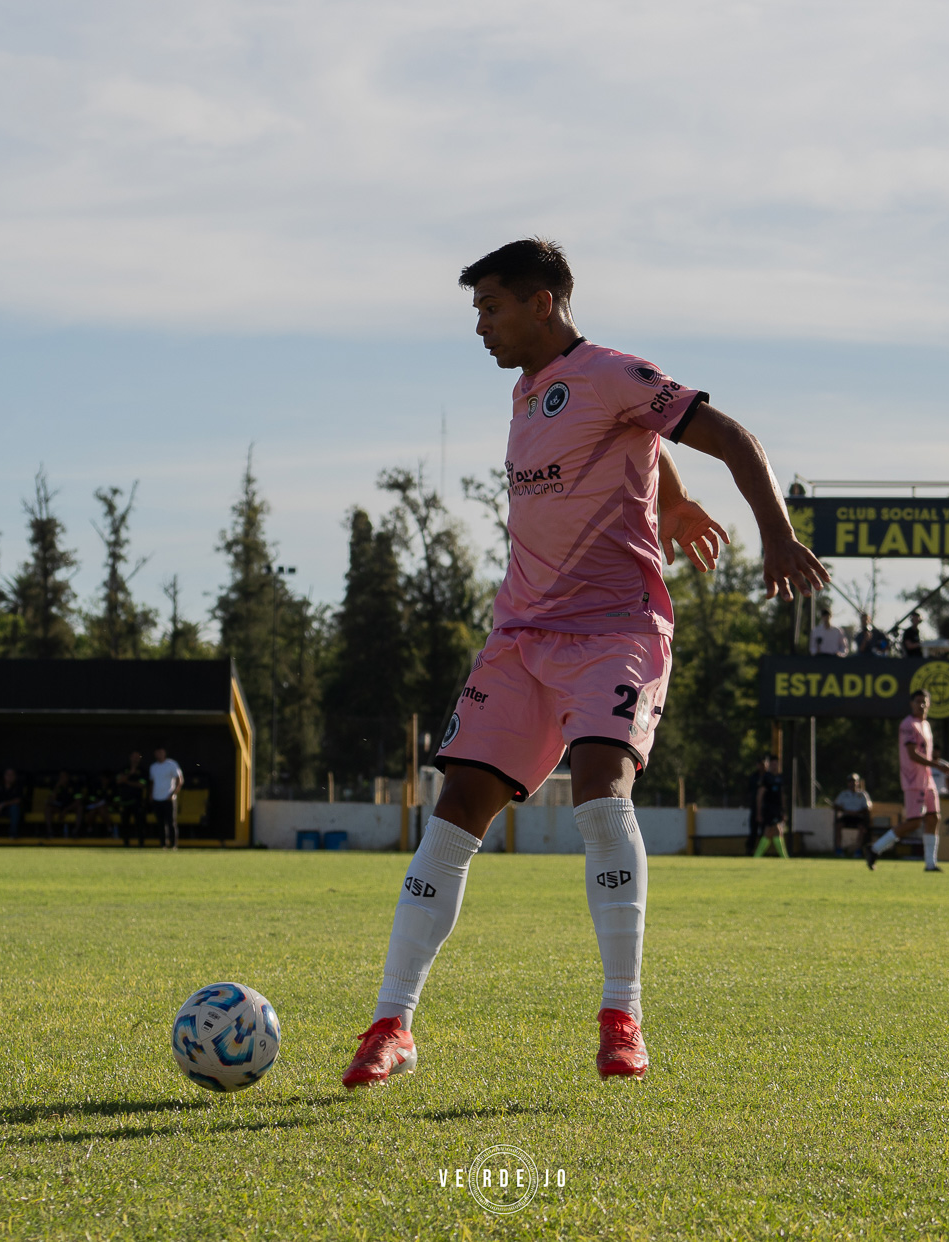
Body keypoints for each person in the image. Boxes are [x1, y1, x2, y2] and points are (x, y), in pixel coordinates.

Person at [340, 238, 830, 1089]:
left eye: (491, 307)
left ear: (543, 302)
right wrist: (671, 499)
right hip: (521, 637)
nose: (482, 327)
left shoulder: (608, 369)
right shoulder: (528, 392)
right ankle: (392, 1023)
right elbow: (638, 440)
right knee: (455, 811)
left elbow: (732, 434)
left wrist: (776, 532)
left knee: (602, 788)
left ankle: (621, 1014)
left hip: (615, 630)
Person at [865, 689, 949, 871]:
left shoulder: (926, 725)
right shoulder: (908, 724)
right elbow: (912, 754)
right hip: (914, 780)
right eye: (918, 701)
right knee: (914, 822)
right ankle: (875, 849)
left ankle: (930, 864)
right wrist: (938, 766)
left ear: (929, 704)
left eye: (925, 701)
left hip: (928, 779)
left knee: (933, 818)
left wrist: (935, 767)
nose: (921, 705)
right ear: (911, 704)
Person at [747, 754, 787, 858]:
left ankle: (757, 856)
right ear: (769, 765)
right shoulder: (766, 778)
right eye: (772, 763)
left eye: (776, 763)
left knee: (770, 832)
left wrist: (783, 810)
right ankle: (784, 857)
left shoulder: (780, 777)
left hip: (777, 809)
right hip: (768, 809)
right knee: (775, 831)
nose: (774, 765)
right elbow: (760, 796)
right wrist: (759, 812)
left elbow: (782, 795)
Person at [149, 746, 184, 850]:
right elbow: (152, 782)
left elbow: (180, 780)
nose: (159, 754)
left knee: (171, 822)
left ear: (164, 753)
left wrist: (173, 794)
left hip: (168, 799)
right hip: (157, 798)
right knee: (160, 823)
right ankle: (163, 844)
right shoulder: (153, 767)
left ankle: (173, 845)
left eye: (161, 752)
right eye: (157, 752)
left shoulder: (171, 764)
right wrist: (151, 794)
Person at [114, 752, 151, 846]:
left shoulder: (142, 770)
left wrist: (127, 781)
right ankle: (126, 844)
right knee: (125, 824)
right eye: (134, 757)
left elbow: (141, 785)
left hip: (137, 801)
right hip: (125, 801)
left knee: (140, 824)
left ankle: (141, 844)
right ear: (130, 757)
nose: (135, 759)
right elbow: (118, 781)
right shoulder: (124, 768)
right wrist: (130, 774)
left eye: (137, 757)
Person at [833, 773, 872, 856]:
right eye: (850, 782)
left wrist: (857, 812)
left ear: (858, 783)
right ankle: (839, 849)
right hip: (847, 816)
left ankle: (858, 850)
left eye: (854, 781)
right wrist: (846, 811)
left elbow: (868, 808)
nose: (852, 784)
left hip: (858, 817)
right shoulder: (843, 794)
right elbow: (835, 805)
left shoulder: (862, 794)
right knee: (838, 825)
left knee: (862, 827)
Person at [45, 770, 80, 838]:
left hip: (70, 808)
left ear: (68, 777)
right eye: (61, 776)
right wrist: (56, 787)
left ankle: (76, 831)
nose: (62, 778)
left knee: (80, 807)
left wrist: (66, 810)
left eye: (64, 776)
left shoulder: (74, 785)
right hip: (59, 807)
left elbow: (78, 801)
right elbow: (50, 800)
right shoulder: (56, 786)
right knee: (48, 807)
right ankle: (50, 832)